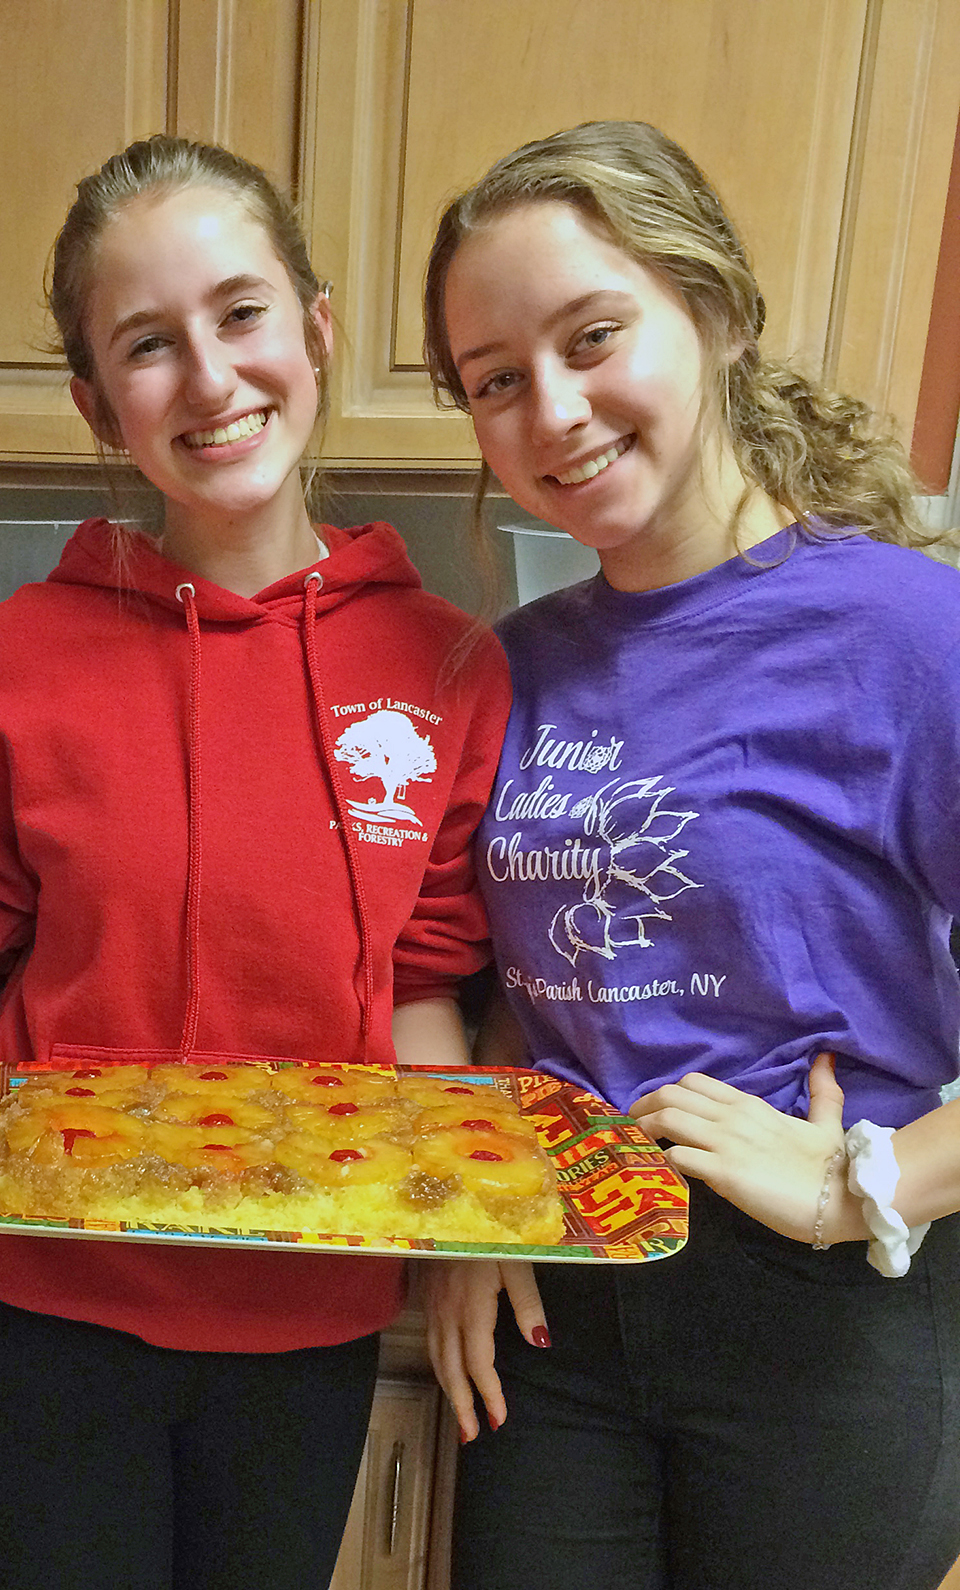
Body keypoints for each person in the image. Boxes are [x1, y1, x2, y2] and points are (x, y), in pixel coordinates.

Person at [0, 133, 511, 1590]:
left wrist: (463, 1205)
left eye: (241, 313)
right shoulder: (18, 655)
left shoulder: (446, 662)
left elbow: (425, 982)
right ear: (96, 399)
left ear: (317, 332)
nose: (210, 378)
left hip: (310, 1305)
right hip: (41, 1294)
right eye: (149, 343)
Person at [419, 119, 960, 1589]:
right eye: (497, 382)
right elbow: (517, 979)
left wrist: (879, 1180)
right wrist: (476, 1204)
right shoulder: (511, 666)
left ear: (711, 309)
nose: (555, 409)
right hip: (561, 1311)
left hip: (825, 1318)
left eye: (595, 336)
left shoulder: (909, 634)